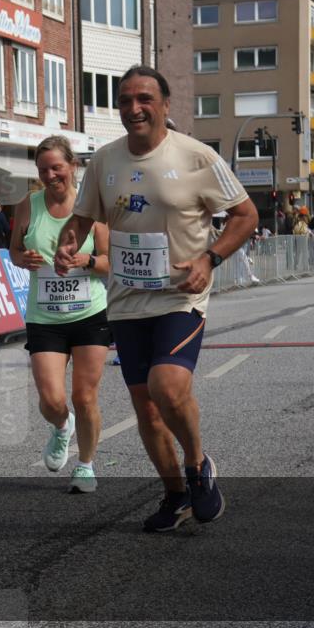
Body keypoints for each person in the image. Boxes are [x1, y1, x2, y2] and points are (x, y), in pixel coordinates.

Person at [56, 65, 258, 531]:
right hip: (126, 301)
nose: (133, 108)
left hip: (180, 296)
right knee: (146, 406)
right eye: (125, 100)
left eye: (144, 98)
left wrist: (210, 258)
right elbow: (83, 220)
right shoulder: (105, 160)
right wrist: (70, 243)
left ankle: (198, 465)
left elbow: (245, 215)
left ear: (166, 105)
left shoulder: (196, 157)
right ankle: (175, 496)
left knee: (168, 387)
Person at [10, 135, 112, 494]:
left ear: (73, 166)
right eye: (43, 169)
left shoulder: (93, 208)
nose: (50, 175)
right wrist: (24, 259)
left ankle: (85, 464)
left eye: (57, 167)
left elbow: (110, 263)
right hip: (45, 317)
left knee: (84, 396)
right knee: (52, 400)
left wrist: (86, 260)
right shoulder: (29, 204)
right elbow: (14, 251)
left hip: (89, 314)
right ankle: (61, 426)